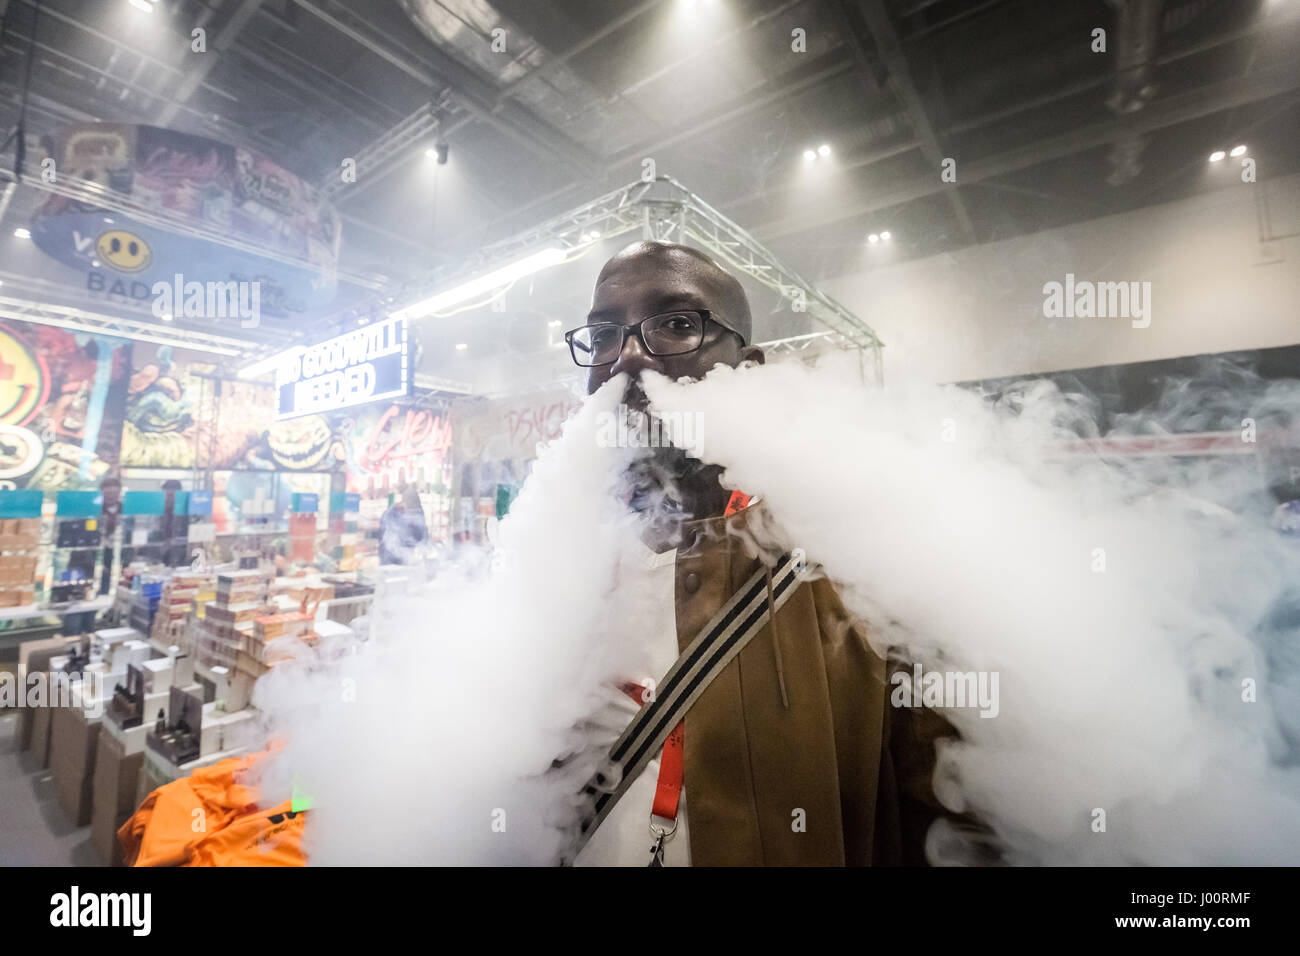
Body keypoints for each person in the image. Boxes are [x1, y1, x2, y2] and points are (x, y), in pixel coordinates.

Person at [564, 240, 982, 866]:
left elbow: (956, 823)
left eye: (677, 324)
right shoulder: (554, 578)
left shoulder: (860, 573)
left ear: (748, 369)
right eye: (602, 334)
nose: (626, 357)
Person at [378, 487, 429, 565]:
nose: (411, 518)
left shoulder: (419, 513)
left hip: (411, 565)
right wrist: (409, 556)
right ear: (402, 504)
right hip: (390, 564)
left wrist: (423, 551)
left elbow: (424, 537)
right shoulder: (391, 515)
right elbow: (391, 545)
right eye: (409, 511)